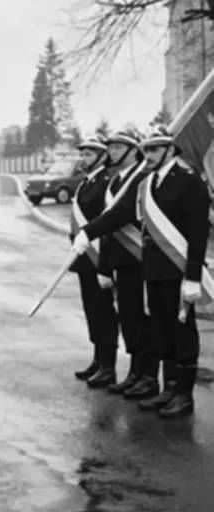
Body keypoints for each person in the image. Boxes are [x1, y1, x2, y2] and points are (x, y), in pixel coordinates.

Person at [73, 125, 210, 418]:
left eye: (155, 149)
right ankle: (169, 388)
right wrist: (89, 231)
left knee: (182, 332)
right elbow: (121, 215)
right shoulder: (147, 184)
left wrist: (194, 275)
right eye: (146, 149)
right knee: (162, 329)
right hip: (154, 270)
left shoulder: (188, 181)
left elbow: (198, 232)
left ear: (171, 150)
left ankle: (184, 395)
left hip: (179, 269)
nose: (149, 155)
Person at [85, 130, 162, 397]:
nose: (113, 152)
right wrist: (104, 266)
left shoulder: (140, 178)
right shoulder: (115, 181)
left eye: (119, 147)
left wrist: (88, 231)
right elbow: (109, 229)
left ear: (133, 151)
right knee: (128, 318)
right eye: (112, 148)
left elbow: (119, 216)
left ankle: (148, 375)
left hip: (139, 259)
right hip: (121, 261)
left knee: (143, 319)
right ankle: (134, 372)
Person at [68, 135, 119, 388]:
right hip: (85, 258)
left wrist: (106, 264)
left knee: (104, 311)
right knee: (92, 310)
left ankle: (108, 365)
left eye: (89, 154)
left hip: (99, 256)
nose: (84, 158)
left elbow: (108, 224)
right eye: (83, 154)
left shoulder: (107, 183)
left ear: (102, 156)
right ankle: (98, 360)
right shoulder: (85, 183)